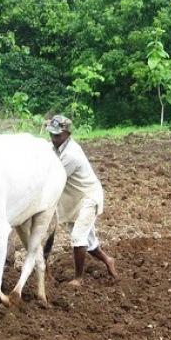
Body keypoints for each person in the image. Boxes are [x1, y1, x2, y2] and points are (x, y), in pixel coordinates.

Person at [46, 115, 118, 286]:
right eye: (52, 135)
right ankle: (108, 260)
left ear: (67, 134)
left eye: (57, 136)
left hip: (88, 197)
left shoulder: (71, 155)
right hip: (73, 200)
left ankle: (79, 278)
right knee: (88, 239)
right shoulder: (54, 148)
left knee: (78, 237)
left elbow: (53, 178)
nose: (54, 139)